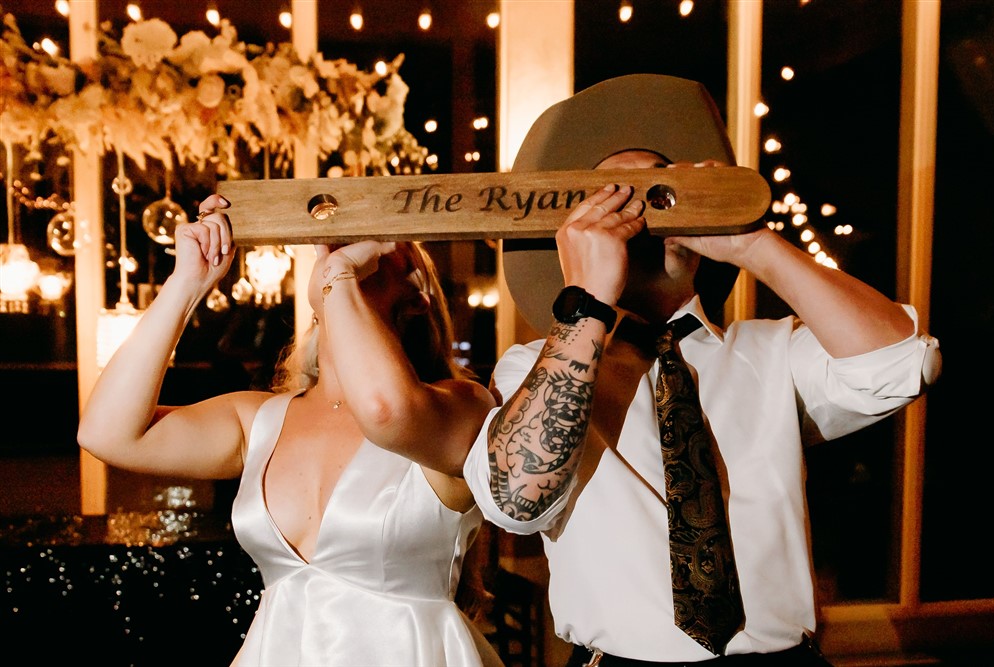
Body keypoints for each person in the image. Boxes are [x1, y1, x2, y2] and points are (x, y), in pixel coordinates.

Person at [463, 73, 942, 665]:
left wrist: (752, 242)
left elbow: (901, 364)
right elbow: (516, 498)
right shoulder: (532, 369)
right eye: (616, 198)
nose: (640, 211)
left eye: (659, 192)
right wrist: (586, 298)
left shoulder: (775, 353)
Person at [78, 193, 504, 666]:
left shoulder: (462, 406)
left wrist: (338, 279)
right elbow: (106, 433)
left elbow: (385, 409)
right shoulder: (259, 420)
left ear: (418, 291)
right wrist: (187, 284)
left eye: (378, 235)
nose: (345, 241)